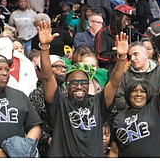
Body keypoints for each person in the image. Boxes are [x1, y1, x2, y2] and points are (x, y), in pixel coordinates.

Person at [38, 19, 129, 157]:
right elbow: (47, 77)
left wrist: (122, 58)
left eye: (83, 82)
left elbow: (114, 83)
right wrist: (44, 46)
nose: (79, 86)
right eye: (74, 83)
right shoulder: (59, 103)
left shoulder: (98, 102)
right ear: (66, 85)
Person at [109, 23, 160, 158]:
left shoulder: (156, 108)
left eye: (142, 92)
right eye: (134, 91)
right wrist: (121, 58)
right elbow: (114, 152)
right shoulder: (119, 118)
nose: (138, 94)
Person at [0, 54, 42, 158]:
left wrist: (25, 147)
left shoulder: (20, 96)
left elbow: (35, 126)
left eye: (7, 70)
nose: (4, 73)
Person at [113, 39, 160, 112]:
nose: (132, 59)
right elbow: (119, 100)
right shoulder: (126, 74)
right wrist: (136, 107)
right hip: (131, 116)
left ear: (146, 55)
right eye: (130, 56)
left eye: (136, 54)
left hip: (155, 115)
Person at [28, 55, 66, 157]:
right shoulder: (36, 94)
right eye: (58, 67)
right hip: (44, 147)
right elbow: (33, 122)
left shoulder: (66, 92)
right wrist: (47, 138)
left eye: (64, 67)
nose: (63, 70)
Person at [94, 4, 134, 78]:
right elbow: (100, 57)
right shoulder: (103, 33)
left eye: (129, 21)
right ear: (117, 17)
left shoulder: (125, 33)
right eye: (125, 20)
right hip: (110, 75)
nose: (127, 23)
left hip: (125, 74)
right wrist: (119, 55)